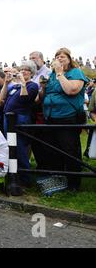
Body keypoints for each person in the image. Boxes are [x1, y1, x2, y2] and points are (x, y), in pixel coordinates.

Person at [40, 48, 88, 190]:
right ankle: (59, 180)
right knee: (54, 149)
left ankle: (73, 183)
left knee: (69, 149)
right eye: (57, 57)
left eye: (62, 57)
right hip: (51, 116)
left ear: (69, 59)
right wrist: (43, 88)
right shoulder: (52, 75)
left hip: (68, 117)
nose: (59, 59)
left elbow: (71, 90)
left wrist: (60, 73)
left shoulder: (75, 72)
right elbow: (45, 96)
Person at [0, 60, 39, 187]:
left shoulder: (32, 85)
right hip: (8, 118)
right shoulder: (15, 86)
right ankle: (13, 176)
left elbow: (24, 99)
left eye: (26, 70)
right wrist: (6, 83)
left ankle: (25, 179)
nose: (23, 71)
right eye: (21, 69)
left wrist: (23, 82)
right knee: (11, 147)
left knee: (20, 147)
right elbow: (2, 97)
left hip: (20, 118)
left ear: (31, 72)